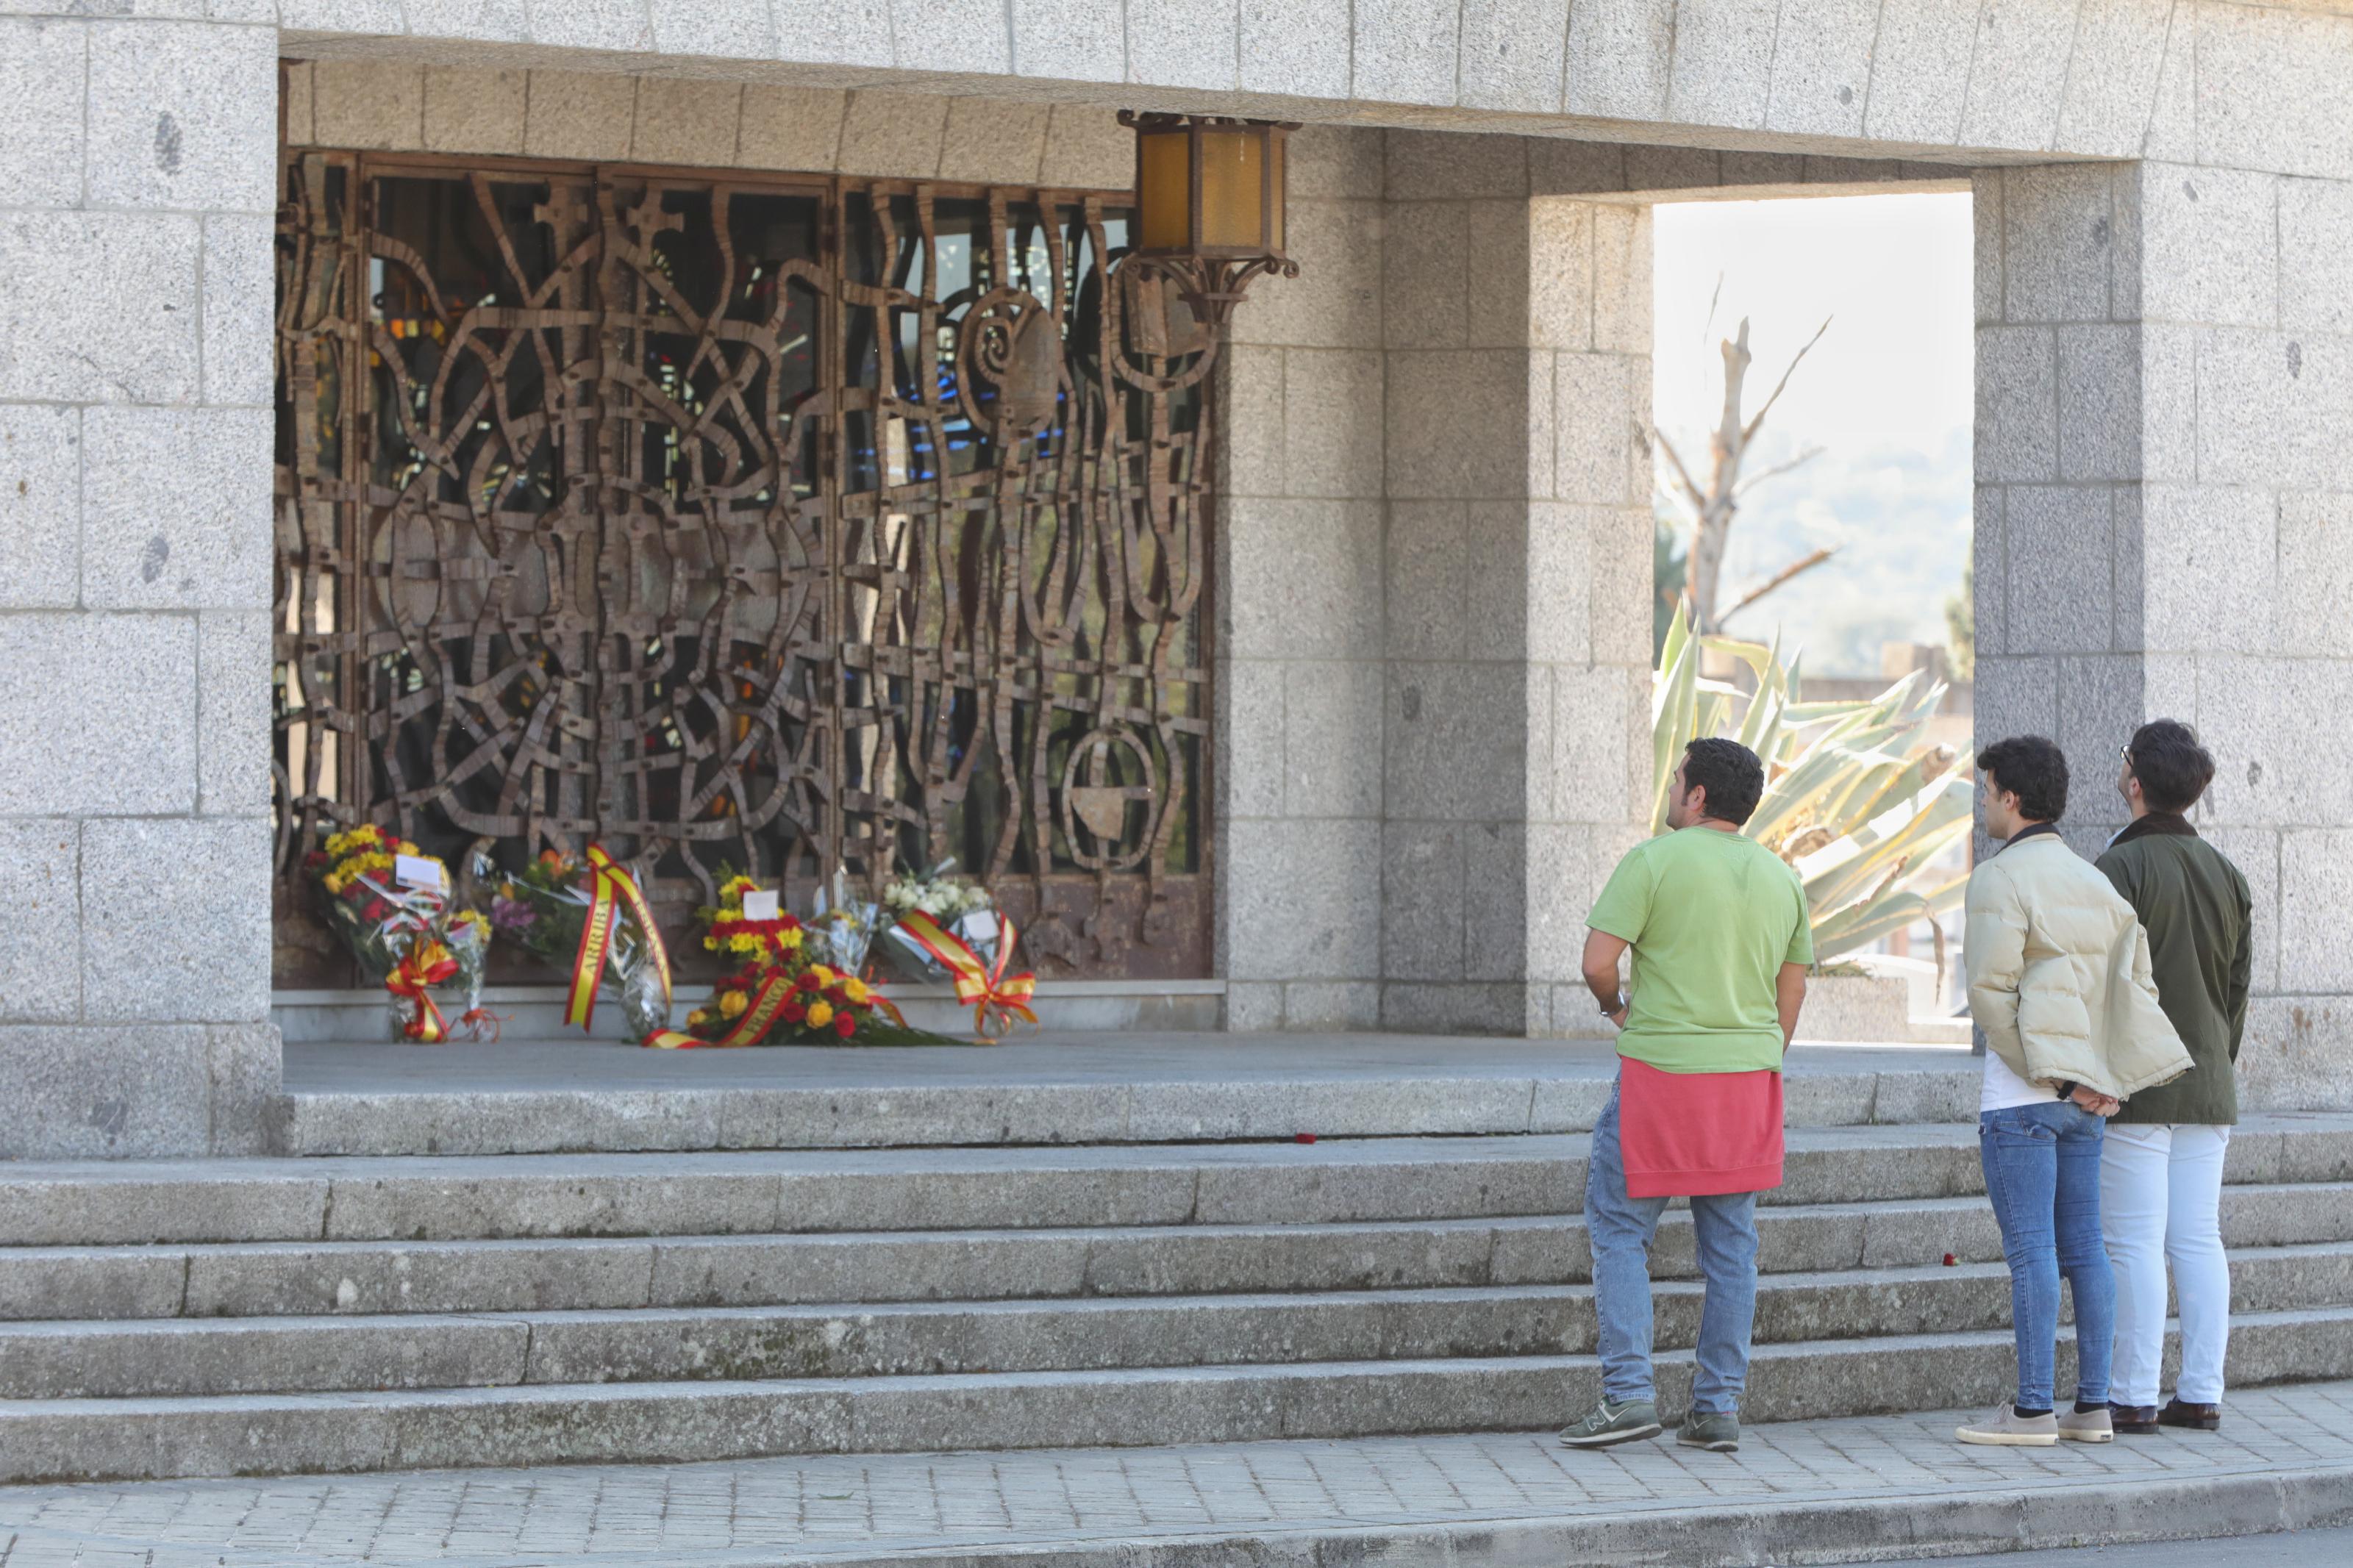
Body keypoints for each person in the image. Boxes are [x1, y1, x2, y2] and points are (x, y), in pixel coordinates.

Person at [1559, 737, 1811, 1456]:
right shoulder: (1780, 878)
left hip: (1659, 1075)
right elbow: (1789, 992)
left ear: (1696, 795)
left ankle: (1628, 1397)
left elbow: (1596, 962)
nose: (1670, 790)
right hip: (1745, 1079)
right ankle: (1715, 1408)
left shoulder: (1650, 862)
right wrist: (1759, 1051)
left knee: (1618, 1233)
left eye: (1676, 780)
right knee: (1731, 1250)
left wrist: (1615, 1010)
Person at [1958, 735, 2192, 1448]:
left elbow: (1988, 994)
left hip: (2022, 1100)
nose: (1983, 804)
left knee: (2031, 1252)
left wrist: (2051, 1075)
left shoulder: (1998, 879)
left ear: (2007, 796)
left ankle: (2031, 1412)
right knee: (2084, 1250)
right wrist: (2102, 1083)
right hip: (2084, 1102)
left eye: (1986, 789)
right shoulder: (2095, 882)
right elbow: (2137, 992)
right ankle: (2091, 1408)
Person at [2096, 721, 2252, 1435]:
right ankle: (2199, 1391)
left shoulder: (2115, 869)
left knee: (2132, 1241)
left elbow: (2098, 987)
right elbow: (2233, 993)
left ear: (2133, 781)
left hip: (2135, 1085)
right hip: (2208, 1080)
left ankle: (2128, 1395)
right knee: (2195, 1238)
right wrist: (2215, 1062)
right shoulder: (2227, 873)